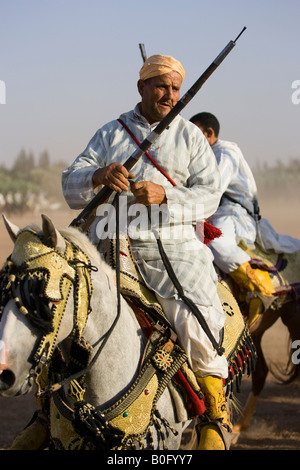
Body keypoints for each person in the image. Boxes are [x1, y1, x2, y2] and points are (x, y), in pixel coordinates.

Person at [62, 56, 232, 450]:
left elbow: (210, 196)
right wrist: (99, 176)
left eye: (175, 88)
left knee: (195, 320)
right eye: (160, 86)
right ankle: (45, 412)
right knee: (64, 315)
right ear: (141, 88)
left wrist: (165, 194)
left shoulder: (190, 136)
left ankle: (213, 416)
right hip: (111, 245)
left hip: (172, 248)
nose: (169, 95)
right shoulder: (110, 133)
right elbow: (70, 183)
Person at [190, 112, 300, 325]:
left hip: (232, 214)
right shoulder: (205, 157)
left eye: (196, 134)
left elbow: (213, 189)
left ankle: (259, 287)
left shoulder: (225, 152)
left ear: (210, 133)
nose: (191, 140)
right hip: (215, 211)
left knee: (216, 243)